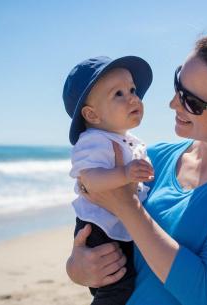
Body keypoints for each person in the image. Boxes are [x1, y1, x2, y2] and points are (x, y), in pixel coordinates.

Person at [66, 26, 207, 305]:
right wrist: (78, 268)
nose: (173, 103)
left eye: (192, 101)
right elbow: (96, 213)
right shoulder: (153, 158)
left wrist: (127, 206)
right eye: (178, 86)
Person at [63, 56, 154, 305]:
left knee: (127, 280)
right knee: (116, 286)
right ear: (92, 114)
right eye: (119, 94)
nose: (133, 98)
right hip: (98, 227)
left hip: (118, 224)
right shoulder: (94, 140)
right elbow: (89, 180)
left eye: (133, 90)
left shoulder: (129, 141)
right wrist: (125, 174)